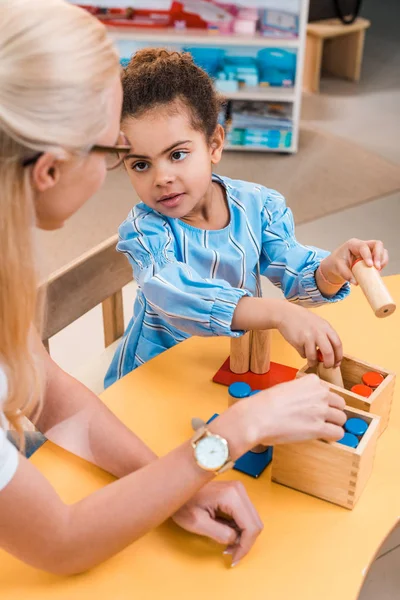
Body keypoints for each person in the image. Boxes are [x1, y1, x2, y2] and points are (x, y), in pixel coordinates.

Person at [0, 0, 348, 576]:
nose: (151, 174)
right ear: (49, 169)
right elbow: (60, 543)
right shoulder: (142, 230)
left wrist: (176, 485)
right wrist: (234, 434)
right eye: (119, 155)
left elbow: (46, 391)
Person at [105, 49, 389, 388]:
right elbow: (174, 293)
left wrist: (332, 269)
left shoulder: (259, 205)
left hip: (236, 362)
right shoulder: (144, 232)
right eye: (140, 165)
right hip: (157, 375)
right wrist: (277, 313)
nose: (161, 178)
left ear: (214, 144)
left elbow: (296, 276)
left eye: (177, 155)